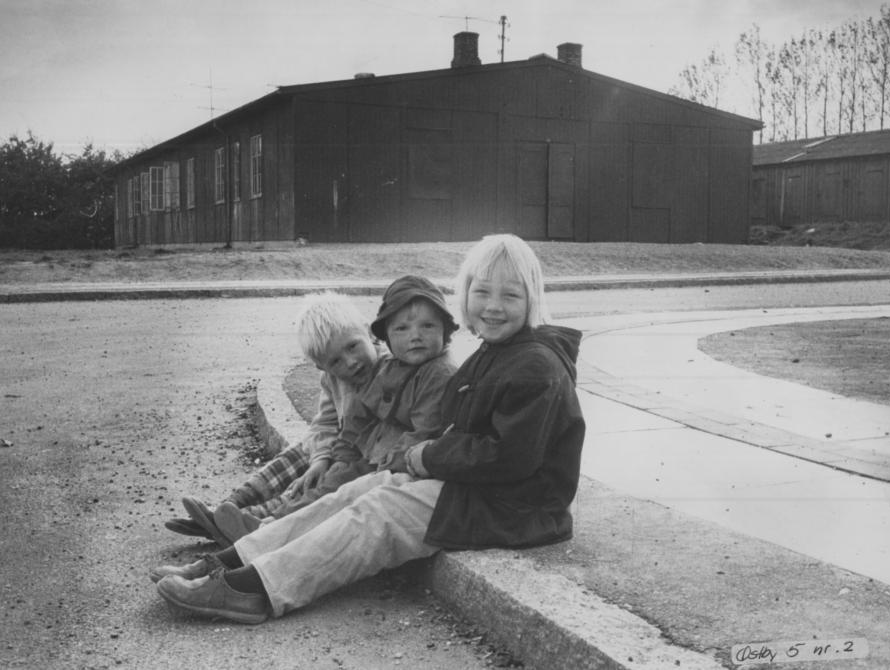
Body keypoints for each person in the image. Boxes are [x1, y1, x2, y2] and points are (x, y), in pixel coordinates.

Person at [151, 234, 585, 625]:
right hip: (486, 492)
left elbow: (510, 458)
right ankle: (233, 561)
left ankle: (257, 590)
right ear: (465, 294)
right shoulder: (498, 351)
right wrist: (422, 459)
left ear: (533, 299)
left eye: (510, 295)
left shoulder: (536, 367)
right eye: (482, 291)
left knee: (379, 513)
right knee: (358, 490)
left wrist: (427, 456)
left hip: (518, 507)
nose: (493, 306)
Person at [212, 275, 459, 542]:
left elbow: (423, 432)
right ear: (387, 334)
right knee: (319, 472)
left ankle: (269, 525)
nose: (416, 337)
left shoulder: (437, 374)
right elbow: (354, 421)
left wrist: (374, 466)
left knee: (336, 494)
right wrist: (337, 458)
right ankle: (251, 513)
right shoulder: (391, 368)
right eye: (402, 330)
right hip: (369, 455)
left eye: (427, 326)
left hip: (393, 465)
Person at [166, 291, 384, 546]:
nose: (350, 362)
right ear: (322, 367)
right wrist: (320, 457)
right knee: (301, 452)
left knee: (312, 485)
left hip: (360, 459)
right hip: (339, 447)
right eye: (335, 361)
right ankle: (231, 507)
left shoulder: (388, 371)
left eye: (353, 346)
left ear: (369, 333)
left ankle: (257, 522)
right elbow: (325, 423)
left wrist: (329, 460)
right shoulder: (332, 379)